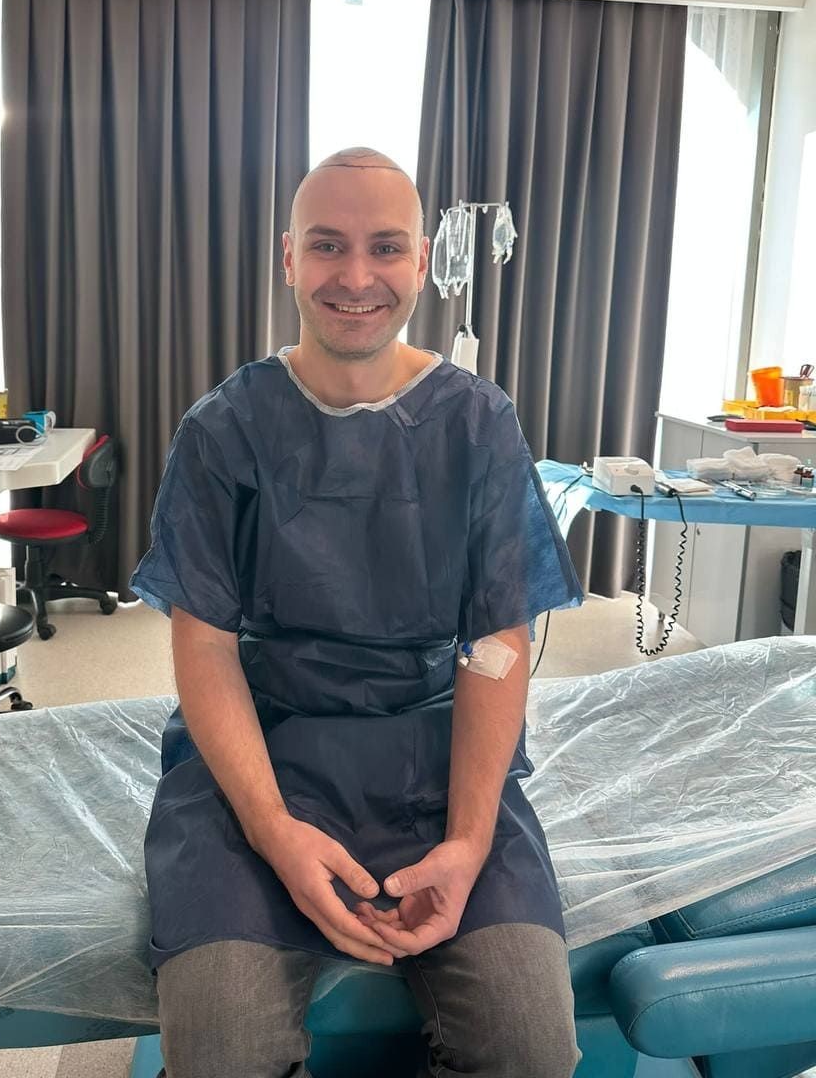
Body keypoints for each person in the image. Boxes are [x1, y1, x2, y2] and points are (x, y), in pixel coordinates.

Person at [130, 147, 584, 1078]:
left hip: (436, 760)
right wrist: (271, 831)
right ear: (288, 257)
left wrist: (466, 842)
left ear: (421, 263)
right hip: (263, 760)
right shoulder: (224, 433)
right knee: (220, 1051)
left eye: (384, 248)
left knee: (530, 1045)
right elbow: (206, 652)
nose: (356, 276)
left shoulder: (477, 426)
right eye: (328, 246)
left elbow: (494, 645)